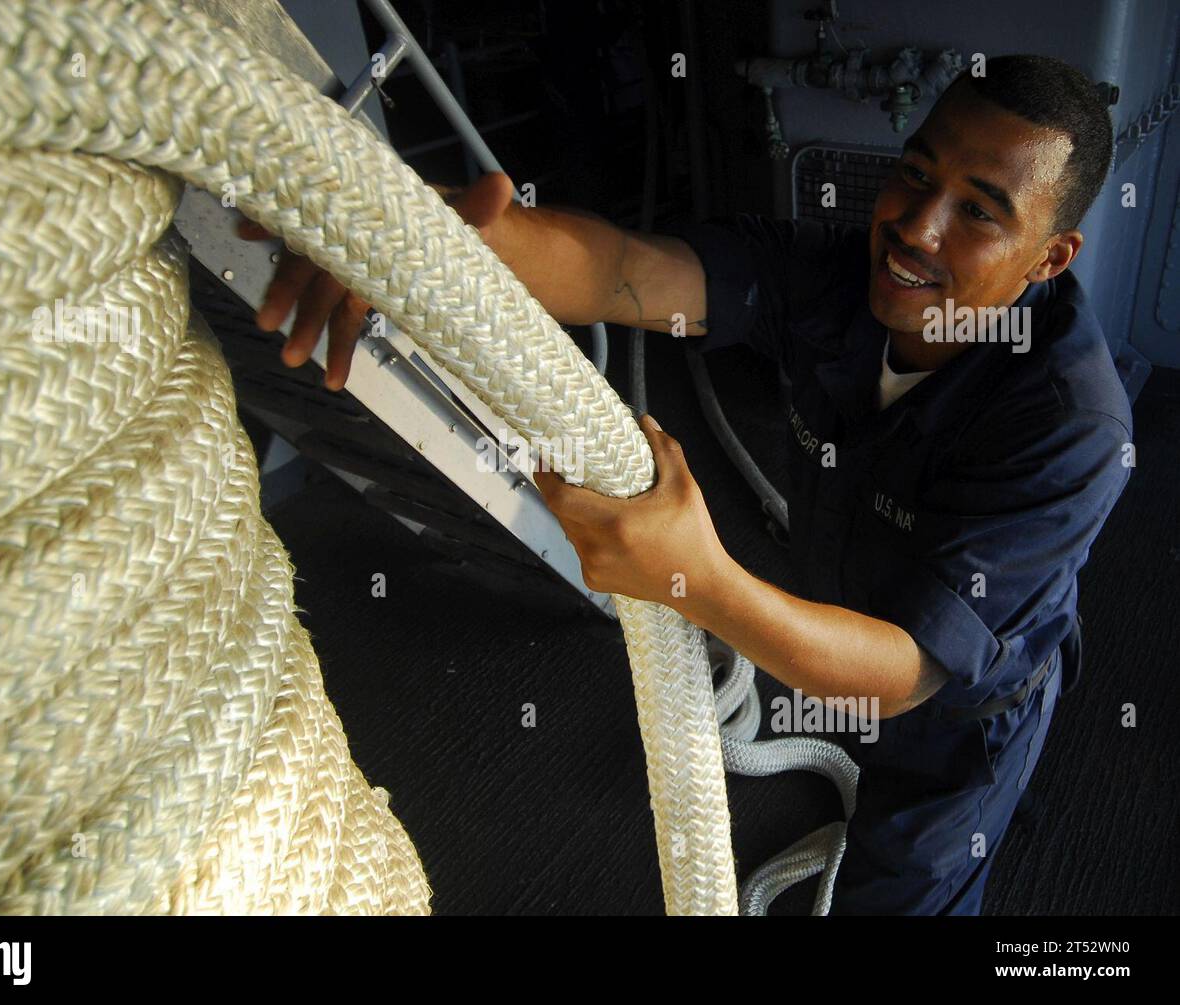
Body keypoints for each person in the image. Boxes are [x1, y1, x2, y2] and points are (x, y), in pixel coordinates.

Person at [240, 53, 1132, 914]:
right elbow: (630, 273)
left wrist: (697, 578)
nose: (916, 226)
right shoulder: (834, 278)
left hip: (955, 716)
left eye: (979, 212)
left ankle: (991, 815)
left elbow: (902, 670)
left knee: (910, 874)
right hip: (840, 620)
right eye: (914, 173)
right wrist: (437, 246)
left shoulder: (1070, 425)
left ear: (1050, 259)